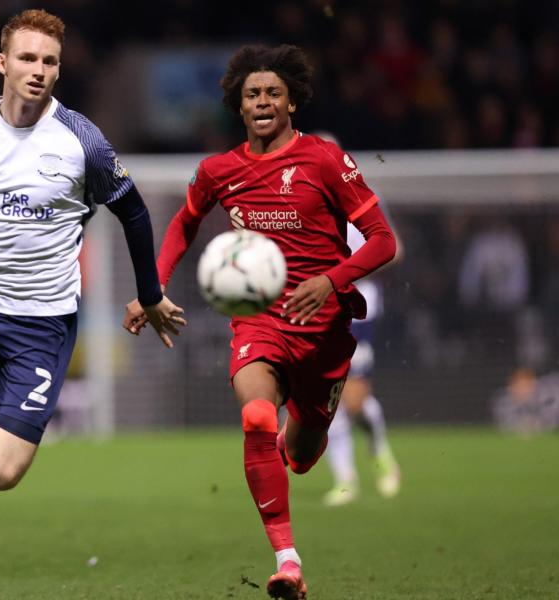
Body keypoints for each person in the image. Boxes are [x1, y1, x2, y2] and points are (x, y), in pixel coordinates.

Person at [0, 10, 185, 600]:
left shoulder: (82, 141)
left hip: (44, 324)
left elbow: (135, 213)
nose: (39, 71)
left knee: (0, 472)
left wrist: (149, 293)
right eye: (28, 58)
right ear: (2, 63)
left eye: (50, 61)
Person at [124, 45, 397, 599]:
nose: (264, 101)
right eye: (253, 94)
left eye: (273, 92)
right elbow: (183, 223)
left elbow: (383, 241)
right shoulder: (219, 171)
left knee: (299, 454)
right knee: (255, 417)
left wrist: (332, 279)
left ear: (291, 100)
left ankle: (300, 443)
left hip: (324, 330)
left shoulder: (323, 160)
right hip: (259, 324)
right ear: (239, 105)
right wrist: (150, 290)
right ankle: (287, 561)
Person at [321, 220, 402, 506]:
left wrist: (350, 271)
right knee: (328, 397)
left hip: (358, 308)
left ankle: (379, 452)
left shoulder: (360, 203)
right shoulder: (304, 199)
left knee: (354, 398)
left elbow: (395, 249)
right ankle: (345, 480)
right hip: (320, 305)